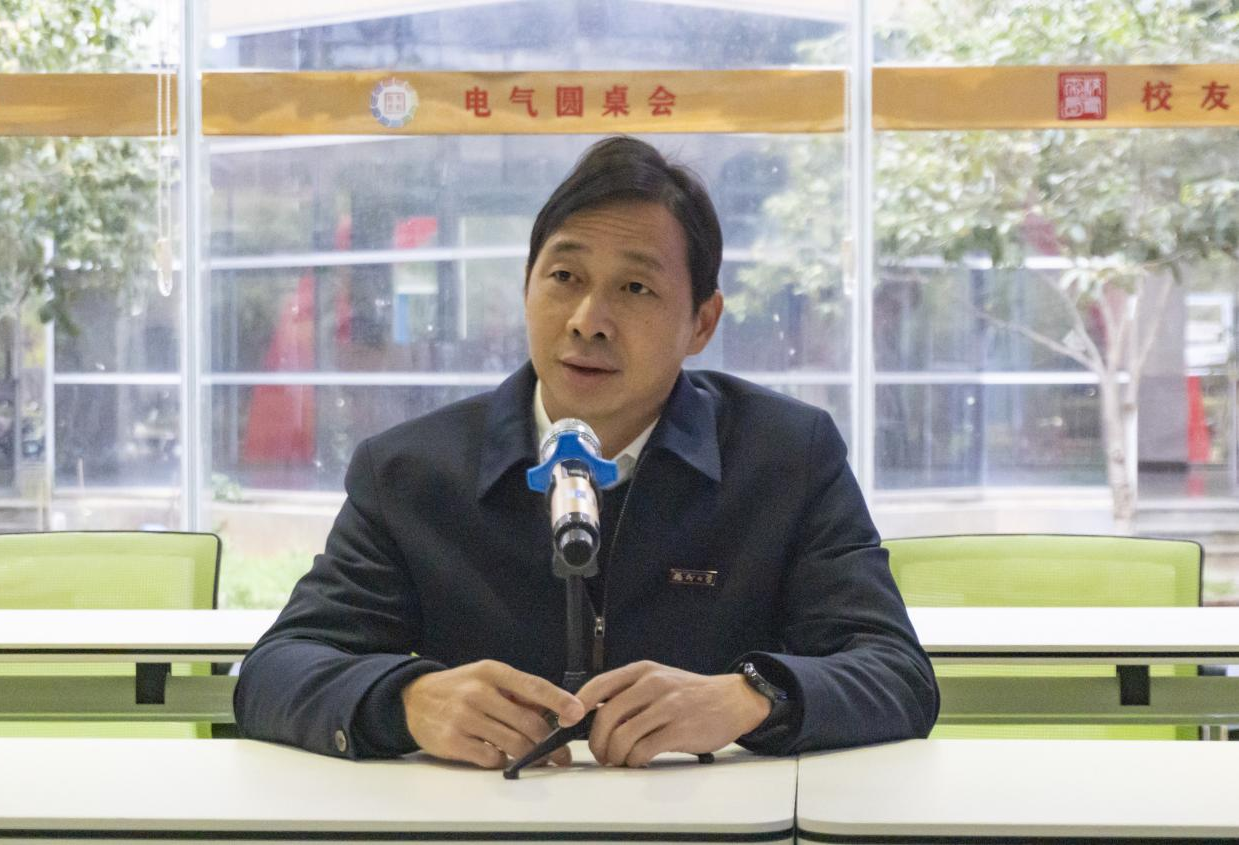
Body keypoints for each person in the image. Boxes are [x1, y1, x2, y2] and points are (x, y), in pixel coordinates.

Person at [234, 136, 939, 769]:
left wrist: (751, 697)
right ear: (527, 286)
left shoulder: (785, 456)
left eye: (634, 288)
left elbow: (896, 673)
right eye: (564, 278)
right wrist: (407, 699)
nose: (587, 321)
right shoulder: (410, 473)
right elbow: (274, 672)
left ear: (701, 322)